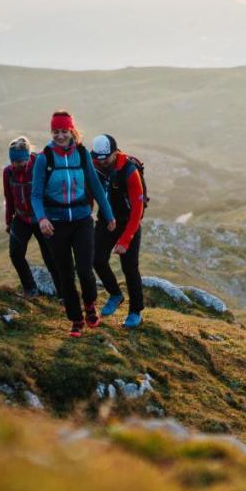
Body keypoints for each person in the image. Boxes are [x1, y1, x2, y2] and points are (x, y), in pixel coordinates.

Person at [31, 111, 115, 337]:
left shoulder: (82, 153)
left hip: (81, 220)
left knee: (85, 270)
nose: (60, 136)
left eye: (64, 131)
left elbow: (96, 186)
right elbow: (36, 194)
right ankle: (76, 319)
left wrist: (108, 215)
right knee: (65, 274)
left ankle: (89, 304)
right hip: (55, 224)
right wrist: (42, 218)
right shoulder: (44, 158)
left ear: (72, 131)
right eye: (56, 131)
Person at [90, 134, 146, 328]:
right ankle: (115, 294)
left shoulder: (129, 171)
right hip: (106, 220)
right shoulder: (92, 164)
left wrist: (125, 239)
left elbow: (137, 211)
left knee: (130, 268)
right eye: (98, 157)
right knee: (96, 259)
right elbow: (89, 192)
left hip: (128, 221)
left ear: (115, 152)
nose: (102, 161)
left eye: (106, 157)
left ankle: (135, 311)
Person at [2, 135, 60, 299]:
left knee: (51, 257)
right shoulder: (8, 173)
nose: (18, 165)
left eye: (21, 161)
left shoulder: (39, 166)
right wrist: (8, 222)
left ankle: (63, 294)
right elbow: (9, 198)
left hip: (42, 218)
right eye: (14, 162)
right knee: (16, 254)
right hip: (21, 219)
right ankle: (30, 289)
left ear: (28, 157)